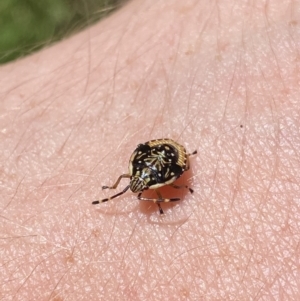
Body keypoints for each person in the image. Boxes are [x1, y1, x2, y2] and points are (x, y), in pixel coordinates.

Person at [1, 0, 299, 299]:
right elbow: (150, 164)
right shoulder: (140, 178)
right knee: (153, 176)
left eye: (136, 186)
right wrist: (142, 189)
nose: (135, 187)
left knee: (171, 176)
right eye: (134, 185)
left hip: (168, 153)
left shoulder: (153, 185)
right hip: (163, 154)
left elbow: (170, 178)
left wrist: (169, 192)